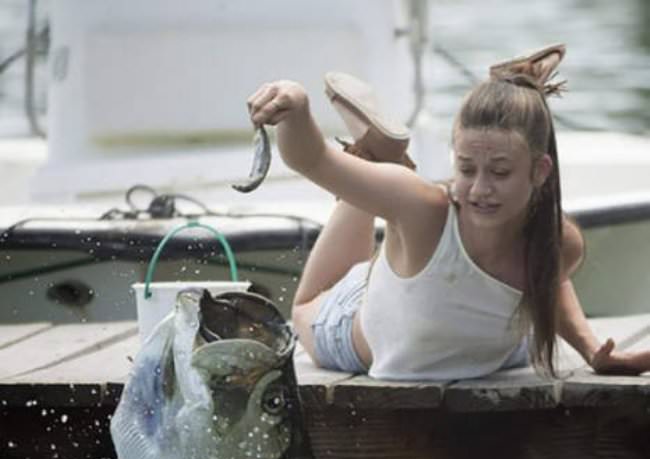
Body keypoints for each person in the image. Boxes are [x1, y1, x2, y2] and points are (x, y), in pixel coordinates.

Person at [247, 44, 650, 380]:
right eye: (466, 169)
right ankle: (374, 161)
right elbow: (313, 160)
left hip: (495, 348)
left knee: (517, 330)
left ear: (539, 170)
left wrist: (593, 351)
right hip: (362, 328)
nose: (479, 189)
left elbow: (549, 277)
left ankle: (375, 161)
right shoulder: (423, 208)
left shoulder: (558, 239)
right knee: (304, 307)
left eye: (500, 172)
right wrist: (296, 108)